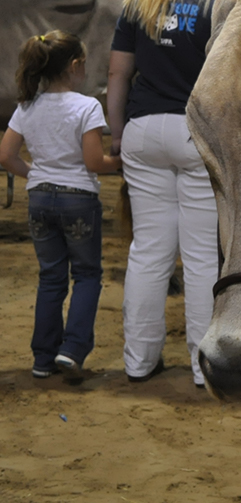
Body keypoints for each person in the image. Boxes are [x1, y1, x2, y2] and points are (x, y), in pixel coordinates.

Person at [106, 0, 240, 386]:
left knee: (148, 252)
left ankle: (138, 362)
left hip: (143, 129)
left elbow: (118, 74)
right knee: (203, 256)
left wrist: (117, 132)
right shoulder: (220, 3)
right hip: (196, 131)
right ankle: (203, 369)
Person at [0, 31, 121, 379]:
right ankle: (73, 348)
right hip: (78, 198)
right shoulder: (86, 107)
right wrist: (119, 161)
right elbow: (94, 162)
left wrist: (34, 174)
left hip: (39, 198)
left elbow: (7, 155)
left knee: (51, 278)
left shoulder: (27, 106)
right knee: (86, 274)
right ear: (75, 66)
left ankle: (42, 357)